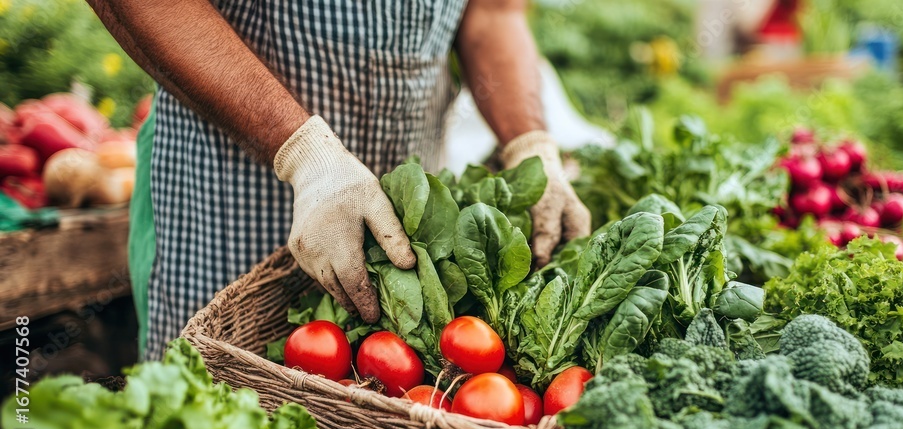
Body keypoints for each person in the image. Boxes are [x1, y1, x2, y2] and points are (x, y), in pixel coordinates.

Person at [87, 0, 592, 360]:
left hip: (411, 225)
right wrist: (302, 155)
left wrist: (530, 143)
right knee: (216, 418)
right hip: (225, 194)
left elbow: (495, 10)